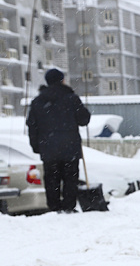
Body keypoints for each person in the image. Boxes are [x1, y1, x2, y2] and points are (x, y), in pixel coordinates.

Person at [26, 68, 91, 213]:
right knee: (70, 178)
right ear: (62, 80)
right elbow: (84, 120)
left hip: (48, 148)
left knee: (51, 179)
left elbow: (32, 126)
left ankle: (54, 207)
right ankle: (68, 207)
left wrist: (36, 146)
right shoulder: (71, 98)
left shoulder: (38, 101)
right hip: (70, 147)